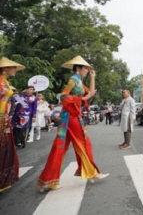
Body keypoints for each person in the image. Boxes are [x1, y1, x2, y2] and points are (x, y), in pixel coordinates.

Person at [37, 56, 109, 192]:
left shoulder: (79, 81)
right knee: (83, 142)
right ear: (78, 68)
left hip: (73, 116)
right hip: (70, 116)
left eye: (88, 68)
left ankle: (48, 180)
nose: (88, 70)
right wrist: (84, 98)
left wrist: (93, 77)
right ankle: (91, 172)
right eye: (86, 68)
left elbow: (91, 93)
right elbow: (63, 97)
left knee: (63, 147)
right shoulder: (73, 80)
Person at [0, 57, 25, 193]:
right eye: (13, 67)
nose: (15, 70)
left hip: (4, 116)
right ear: (5, 68)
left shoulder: (6, 82)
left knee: (5, 146)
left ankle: (4, 177)